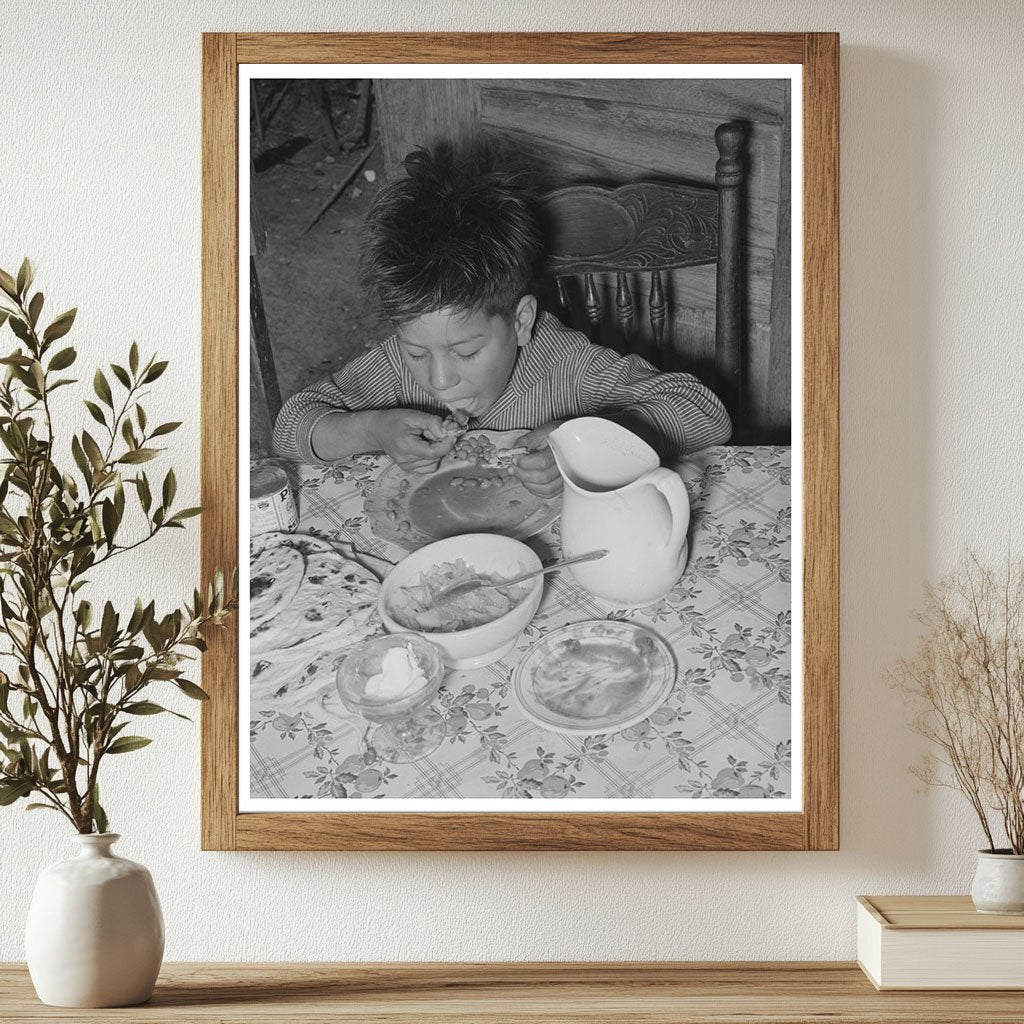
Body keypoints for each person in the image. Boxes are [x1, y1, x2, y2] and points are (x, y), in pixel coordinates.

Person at [272, 142, 732, 497]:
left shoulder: (564, 364)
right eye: (416, 351)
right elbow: (290, 428)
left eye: (466, 351)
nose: (439, 380)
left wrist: (587, 442)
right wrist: (373, 429)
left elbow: (704, 411)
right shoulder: (394, 367)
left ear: (521, 321)